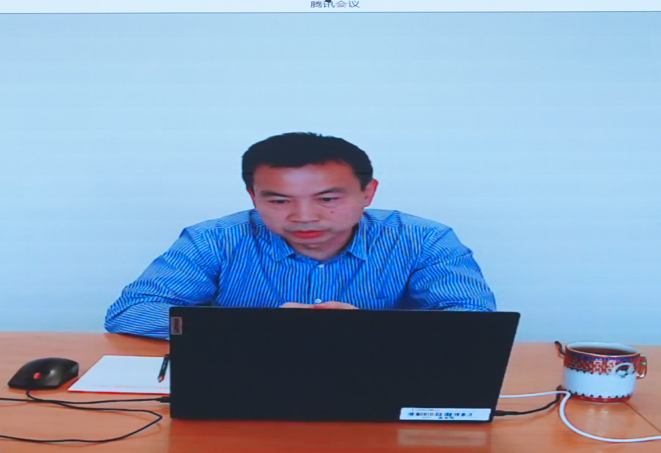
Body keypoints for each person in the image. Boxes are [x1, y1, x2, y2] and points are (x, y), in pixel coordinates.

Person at [105, 132, 496, 339]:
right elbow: (130, 312)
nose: (304, 216)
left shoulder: (423, 240)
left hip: (377, 377)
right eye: (279, 200)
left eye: (328, 198)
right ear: (253, 197)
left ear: (368, 193)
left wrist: (374, 331)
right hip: (248, 378)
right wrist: (257, 329)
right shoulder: (213, 240)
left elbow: (475, 322)